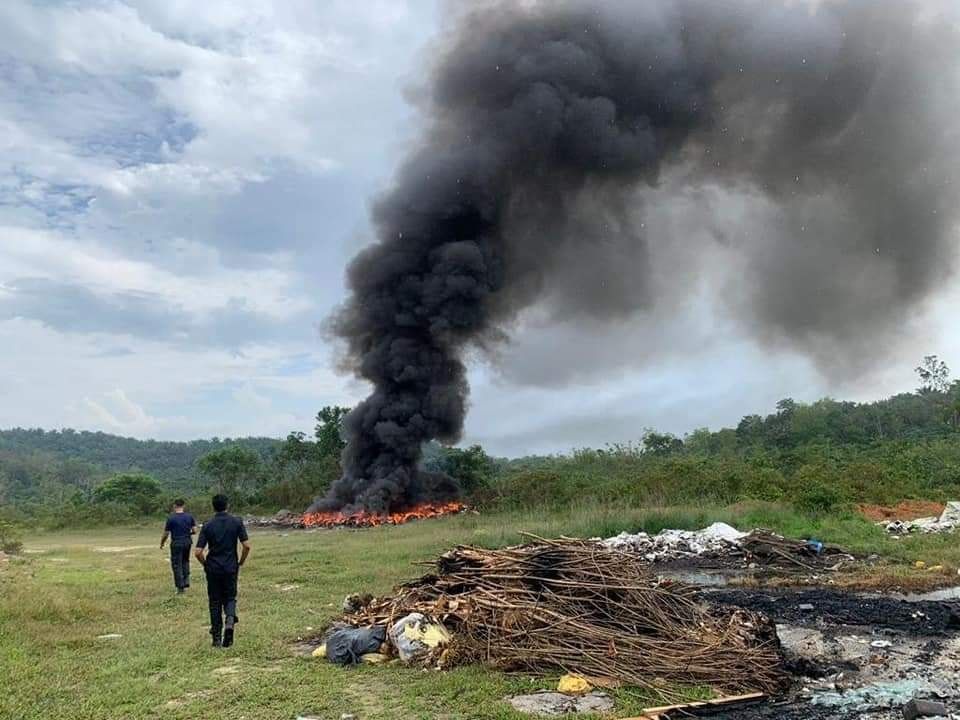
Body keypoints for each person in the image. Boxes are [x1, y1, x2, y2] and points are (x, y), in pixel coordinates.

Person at [194, 494, 250, 648]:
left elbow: (198, 552)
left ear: (213, 506)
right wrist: (241, 562)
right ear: (227, 505)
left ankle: (217, 638)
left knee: (215, 602)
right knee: (230, 597)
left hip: (213, 568)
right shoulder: (236, 522)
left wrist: (205, 564)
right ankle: (230, 621)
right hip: (231, 567)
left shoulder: (207, 525)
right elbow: (247, 546)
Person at [160, 498, 196, 594]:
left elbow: (166, 533)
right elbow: (194, 530)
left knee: (177, 564)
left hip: (176, 543)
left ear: (174, 506)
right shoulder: (189, 517)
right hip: (187, 542)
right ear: (183, 506)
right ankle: (186, 580)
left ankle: (180, 588)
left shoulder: (171, 518)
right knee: (185, 561)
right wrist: (188, 533)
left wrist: (162, 543)